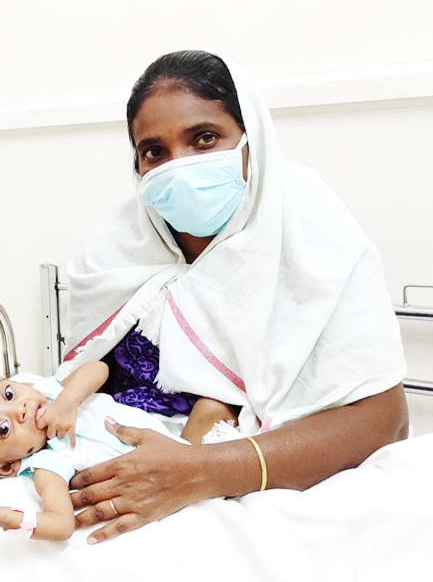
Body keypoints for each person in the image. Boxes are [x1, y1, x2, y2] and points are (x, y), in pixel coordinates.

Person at [61, 50, 409, 545]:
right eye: (154, 151)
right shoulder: (113, 250)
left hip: (278, 479)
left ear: (252, 141)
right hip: (123, 466)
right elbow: (76, 381)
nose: (178, 167)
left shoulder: (313, 232)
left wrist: (201, 472)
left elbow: (384, 421)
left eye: (205, 139)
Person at [0, 361, 239, 541]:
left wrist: (68, 400)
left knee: (213, 404)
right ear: (8, 466)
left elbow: (99, 369)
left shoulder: (52, 391)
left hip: (172, 443)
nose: (21, 409)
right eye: (4, 428)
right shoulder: (49, 464)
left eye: (8, 393)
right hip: (166, 488)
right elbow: (60, 525)